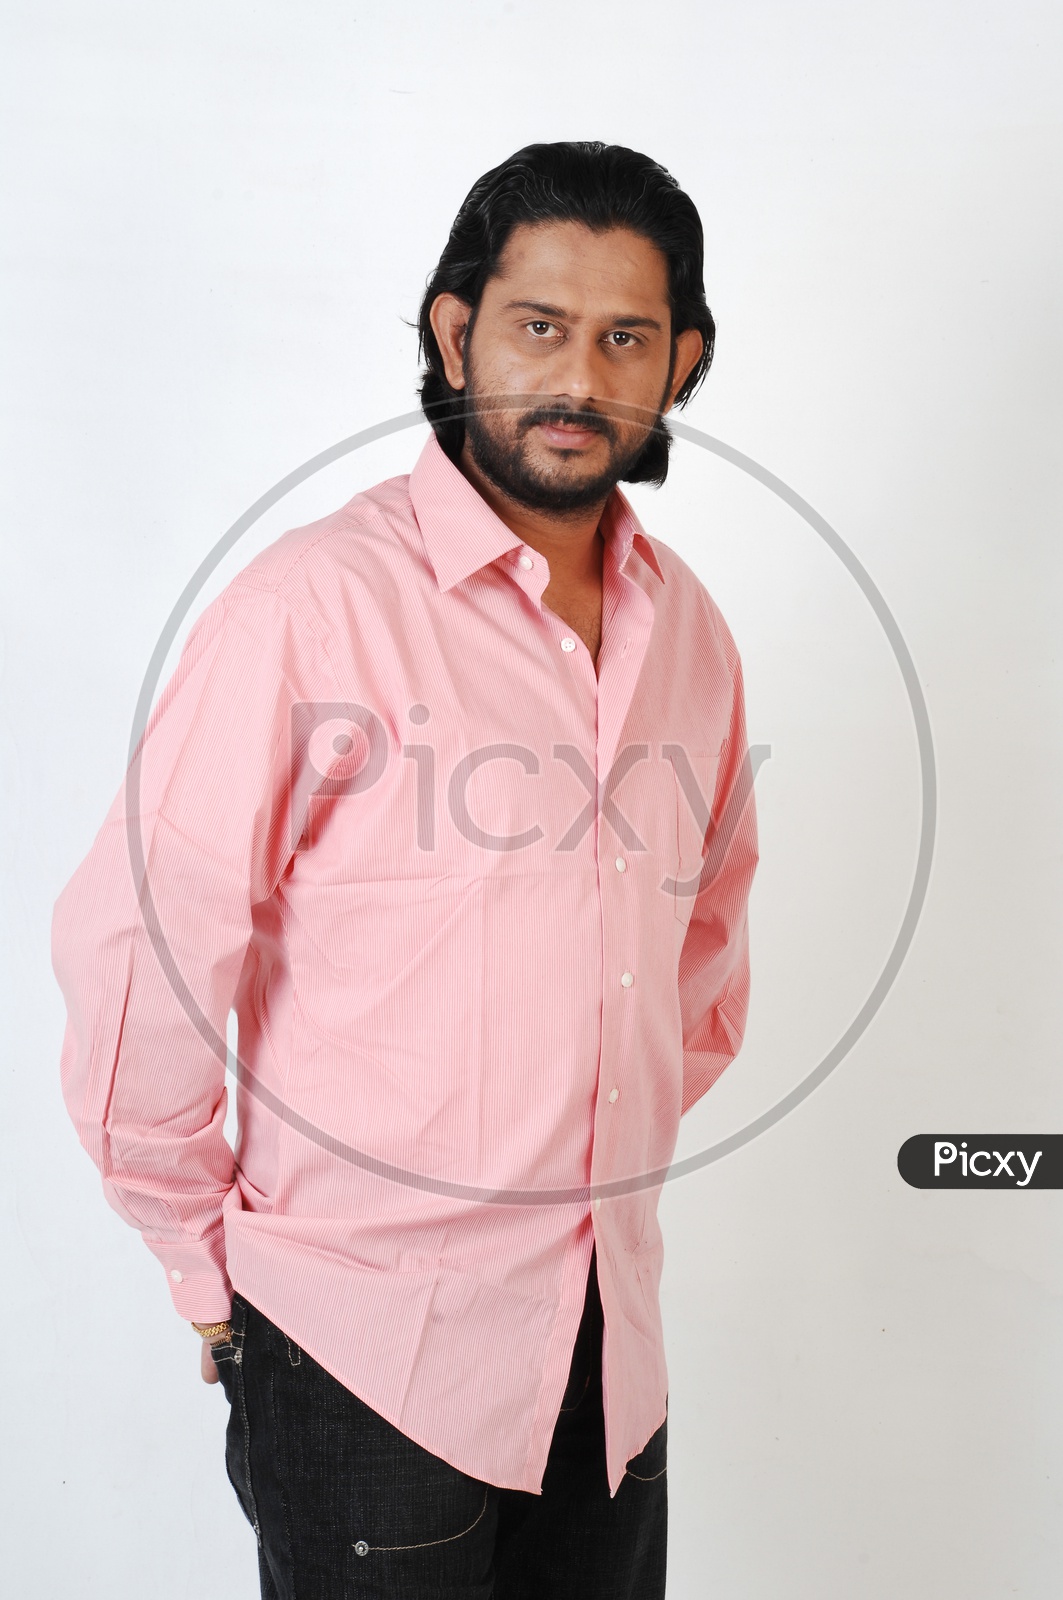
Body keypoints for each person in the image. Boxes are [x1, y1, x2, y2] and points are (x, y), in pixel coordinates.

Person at [51, 140, 759, 1599]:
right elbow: (146, 945)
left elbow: (705, 944)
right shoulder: (311, 606)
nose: (577, 375)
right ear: (456, 332)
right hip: (366, 1352)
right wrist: (205, 1264)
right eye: (537, 325)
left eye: (626, 336)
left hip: (608, 1350)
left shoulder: (690, 631)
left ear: (681, 362)